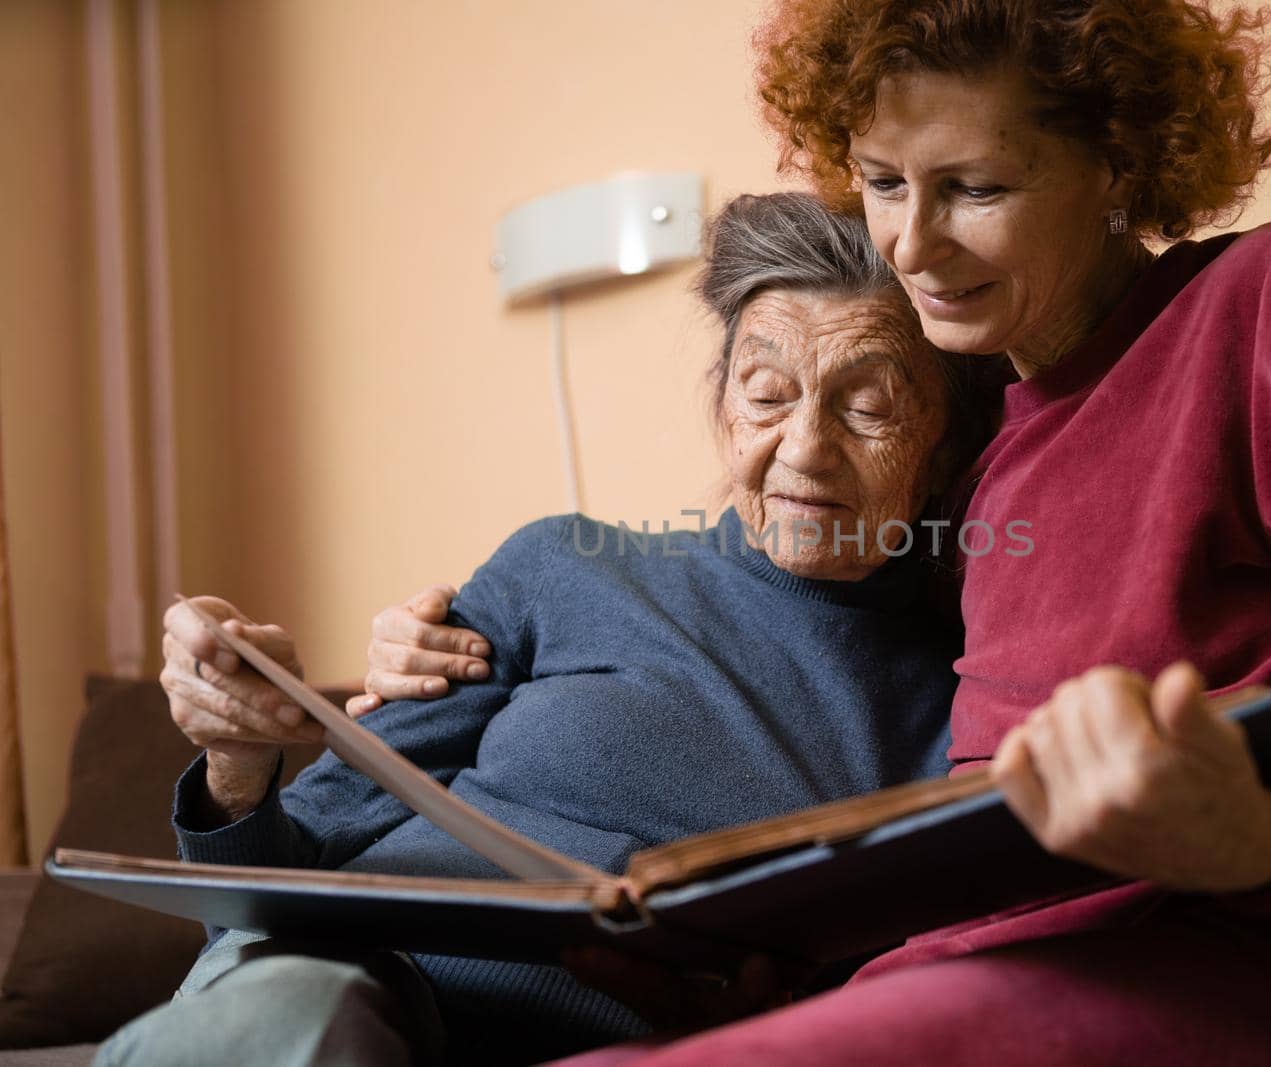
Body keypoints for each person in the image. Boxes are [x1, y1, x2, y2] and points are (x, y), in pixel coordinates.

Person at [457, 2, 1271, 1063]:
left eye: (975, 187)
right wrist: (449, 646)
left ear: (1118, 166)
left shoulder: (1258, 300)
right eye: (883, 181)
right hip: (988, 964)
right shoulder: (967, 433)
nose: (910, 244)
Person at [96, 192, 1002, 1067]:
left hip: (614, 1041)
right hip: (348, 985)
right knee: (301, 1019)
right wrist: (238, 761)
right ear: (722, 406)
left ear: (947, 450)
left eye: (868, 407)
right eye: (766, 394)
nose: (804, 447)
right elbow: (268, 898)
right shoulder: (563, 566)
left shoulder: (963, 708)